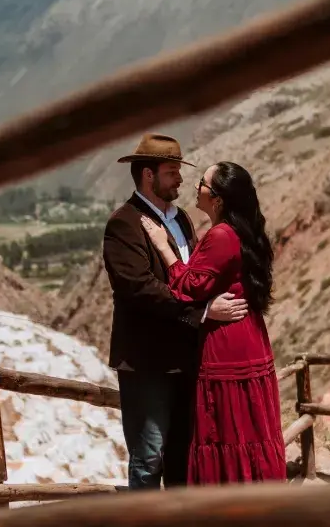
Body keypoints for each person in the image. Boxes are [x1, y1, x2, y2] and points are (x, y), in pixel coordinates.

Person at [103, 133, 249, 490]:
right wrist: (200, 313)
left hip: (186, 356)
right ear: (148, 176)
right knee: (149, 455)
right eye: (172, 172)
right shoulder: (123, 223)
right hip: (147, 360)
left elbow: (192, 276)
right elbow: (140, 289)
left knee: (185, 449)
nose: (181, 180)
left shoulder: (181, 218)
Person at [140, 161, 285, 484]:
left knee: (225, 423)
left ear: (217, 199)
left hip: (227, 341)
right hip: (248, 334)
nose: (196, 187)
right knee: (247, 424)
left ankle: (228, 507)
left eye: (202, 184)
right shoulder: (243, 230)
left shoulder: (220, 235)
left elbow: (191, 286)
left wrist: (164, 249)